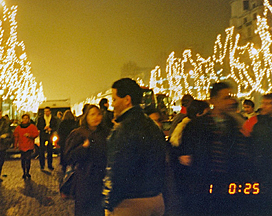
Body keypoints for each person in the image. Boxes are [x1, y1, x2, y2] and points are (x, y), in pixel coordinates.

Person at [179, 82, 251, 214]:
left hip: (229, 190)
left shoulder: (235, 125)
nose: (231, 101)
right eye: (226, 97)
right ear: (213, 100)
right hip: (204, 191)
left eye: (231, 97)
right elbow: (185, 160)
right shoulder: (196, 126)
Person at [103, 78, 166, 216]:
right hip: (156, 199)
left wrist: (109, 204)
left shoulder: (123, 128)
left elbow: (116, 170)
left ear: (127, 100)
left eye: (114, 99)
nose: (112, 105)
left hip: (131, 204)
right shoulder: (153, 126)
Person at [64, 104, 108, 216]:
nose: (96, 117)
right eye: (92, 114)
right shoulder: (78, 133)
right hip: (85, 179)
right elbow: (68, 157)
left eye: (98, 114)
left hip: (102, 179)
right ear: (86, 117)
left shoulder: (105, 132)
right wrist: (83, 147)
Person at [249, 94, 272, 202]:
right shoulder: (256, 121)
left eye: (268, 104)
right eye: (263, 103)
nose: (264, 106)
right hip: (260, 163)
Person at [13, 114, 39, 179]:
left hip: (29, 145)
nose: (25, 120)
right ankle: (24, 172)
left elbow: (36, 134)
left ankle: (27, 172)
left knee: (28, 159)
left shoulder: (32, 126)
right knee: (23, 160)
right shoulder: (18, 127)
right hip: (22, 146)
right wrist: (15, 145)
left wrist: (30, 135)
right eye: (24, 118)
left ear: (28, 119)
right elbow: (16, 136)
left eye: (26, 118)